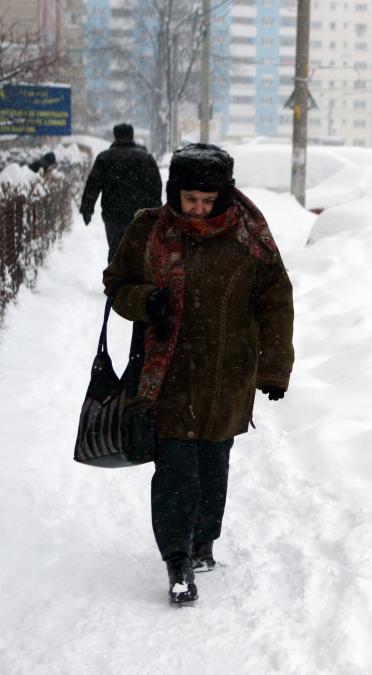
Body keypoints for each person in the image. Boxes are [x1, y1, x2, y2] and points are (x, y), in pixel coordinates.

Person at [102, 143, 294, 605]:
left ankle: (204, 543)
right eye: (190, 199)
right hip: (165, 372)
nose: (199, 209)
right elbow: (116, 283)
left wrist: (274, 368)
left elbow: (275, 300)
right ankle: (177, 559)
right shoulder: (148, 230)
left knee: (213, 463)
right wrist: (145, 300)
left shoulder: (250, 235)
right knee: (175, 468)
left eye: (209, 201)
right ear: (175, 192)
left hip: (227, 373)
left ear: (224, 195)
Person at [81, 123, 163, 262]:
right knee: (138, 248)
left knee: (115, 247)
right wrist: (156, 211)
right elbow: (155, 186)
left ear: (115, 136)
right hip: (140, 214)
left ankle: (115, 278)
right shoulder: (146, 158)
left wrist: (87, 209)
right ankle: (135, 278)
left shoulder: (104, 158)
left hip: (113, 213)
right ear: (132, 136)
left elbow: (93, 185)